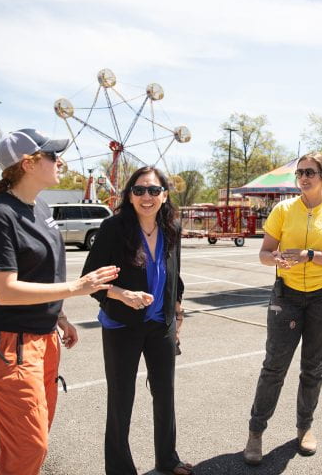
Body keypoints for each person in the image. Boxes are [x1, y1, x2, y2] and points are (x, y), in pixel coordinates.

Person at [0, 128, 119, 475]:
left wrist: (60, 316)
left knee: (29, 447)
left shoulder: (40, 206)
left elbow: (40, 274)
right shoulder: (0, 214)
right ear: (28, 163)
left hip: (42, 339)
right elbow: (4, 291)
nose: (60, 161)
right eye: (52, 156)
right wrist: (76, 288)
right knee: (29, 448)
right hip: (5, 345)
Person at [243, 152, 322, 466]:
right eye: (300, 172)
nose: (304, 177)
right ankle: (255, 432)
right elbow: (264, 253)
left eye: (310, 172)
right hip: (287, 296)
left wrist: (310, 255)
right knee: (274, 367)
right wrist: (275, 258)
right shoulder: (283, 210)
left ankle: (304, 427)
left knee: (313, 368)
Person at [82, 166, 192, 475]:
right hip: (122, 325)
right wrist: (123, 295)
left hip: (161, 325)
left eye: (154, 190)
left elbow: (175, 274)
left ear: (164, 195)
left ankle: (168, 459)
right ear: (130, 195)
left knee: (164, 392)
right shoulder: (113, 228)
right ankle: (120, 469)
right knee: (121, 398)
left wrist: (177, 309)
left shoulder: (172, 227)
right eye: (140, 190)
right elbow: (89, 281)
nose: (147, 196)